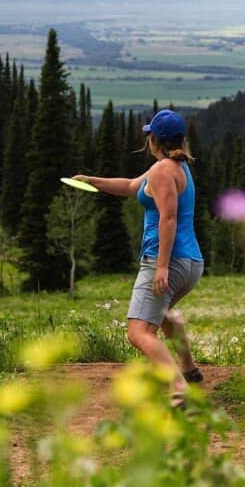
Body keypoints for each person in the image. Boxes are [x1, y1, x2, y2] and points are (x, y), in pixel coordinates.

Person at [74, 109, 204, 407]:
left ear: (155, 140)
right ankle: (188, 369)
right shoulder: (175, 167)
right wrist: (92, 181)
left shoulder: (162, 171)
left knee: (139, 332)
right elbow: (132, 187)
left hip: (168, 261)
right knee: (163, 314)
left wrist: (160, 266)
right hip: (191, 263)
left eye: (149, 135)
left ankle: (178, 389)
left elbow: (168, 218)